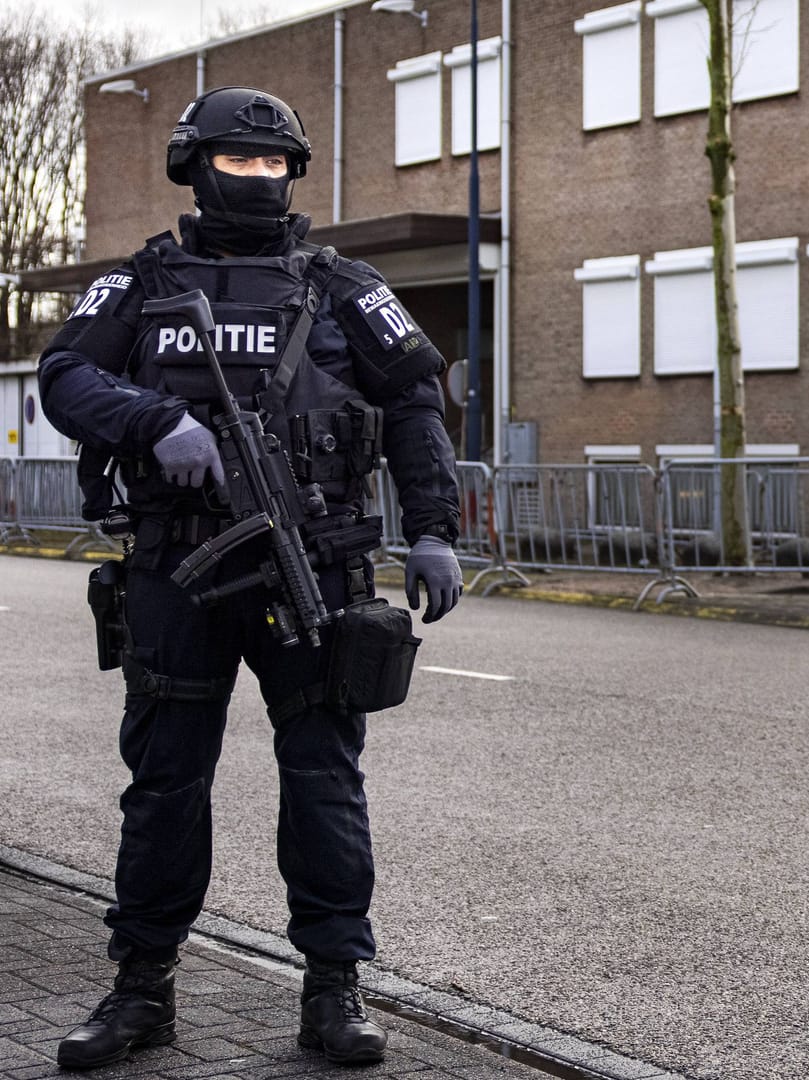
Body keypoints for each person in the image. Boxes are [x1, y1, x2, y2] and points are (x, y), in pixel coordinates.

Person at [36, 86, 466, 1069]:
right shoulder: (137, 285)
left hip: (315, 564)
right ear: (195, 167)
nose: (261, 179)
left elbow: (413, 401)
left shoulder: (342, 285)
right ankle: (141, 987)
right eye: (240, 162)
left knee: (324, 782)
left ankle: (334, 989)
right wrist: (154, 424)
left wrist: (436, 530)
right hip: (175, 569)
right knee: (163, 785)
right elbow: (65, 375)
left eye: (277, 165)